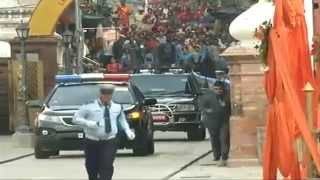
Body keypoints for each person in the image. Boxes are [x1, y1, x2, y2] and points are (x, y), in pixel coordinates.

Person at [73, 85, 135, 180]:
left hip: (109, 140)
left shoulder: (117, 107)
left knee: (107, 164)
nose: (107, 97)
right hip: (92, 140)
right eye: (105, 95)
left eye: (109, 95)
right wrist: (89, 123)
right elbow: (76, 119)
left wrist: (127, 130)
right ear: (100, 94)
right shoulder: (88, 106)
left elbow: (122, 119)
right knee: (91, 166)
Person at [198, 80, 231, 167]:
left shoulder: (227, 96)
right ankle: (216, 156)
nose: (218, 91)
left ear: (223, 89)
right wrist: (206, 110)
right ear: (213, 89)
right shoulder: (208, 96)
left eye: (220, 89)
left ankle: (224, 158)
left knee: (224, 139)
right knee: (214, 139)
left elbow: (231, 107)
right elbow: (201, 105)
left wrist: (226, 104)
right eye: (216, 89)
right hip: (211, 122)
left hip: (224, 121)